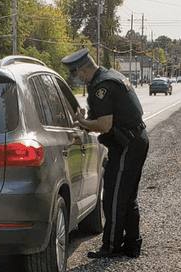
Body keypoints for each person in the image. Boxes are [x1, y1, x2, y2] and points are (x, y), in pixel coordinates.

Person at [62, 48, 148, 259]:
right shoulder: (109, 75)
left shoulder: (102, 86)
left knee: (114, 198)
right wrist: (87, 119)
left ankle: (111, 247)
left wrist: (82, 123)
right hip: (135, 140)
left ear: (82, 71)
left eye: (75, 74)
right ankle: (132, 245)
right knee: (127, 197)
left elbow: (104, 125)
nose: (76, 79)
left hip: (126, 144)